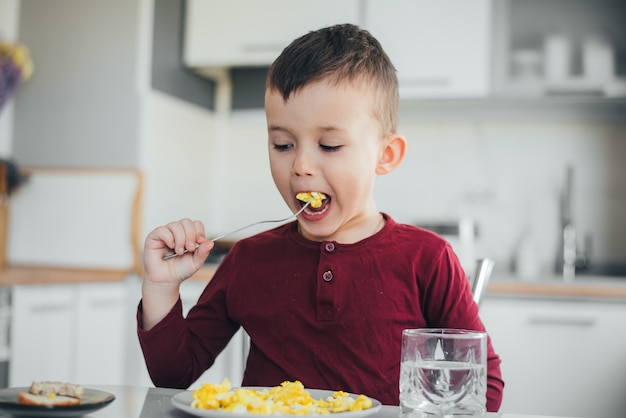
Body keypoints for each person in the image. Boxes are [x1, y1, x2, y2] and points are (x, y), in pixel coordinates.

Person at [137, 23, 504, 411]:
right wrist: (161, 287)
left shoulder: (427, 258)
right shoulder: (248, 259)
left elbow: (486, 391)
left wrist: (435, 398)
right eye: (282, 144)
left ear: (386, 155)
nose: (301, 165)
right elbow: (173, 376)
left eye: (329, 145)